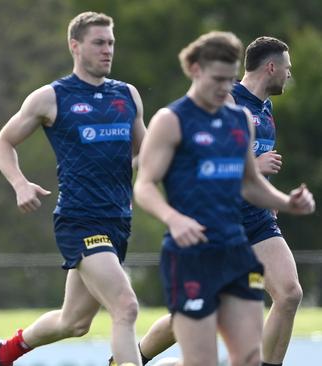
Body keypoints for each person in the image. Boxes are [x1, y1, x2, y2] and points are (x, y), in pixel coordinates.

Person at [132, 31, 314, 366]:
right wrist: (173, 218)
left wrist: (287, 202)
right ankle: (133, 358)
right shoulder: (171, 121)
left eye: (230, 79)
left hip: (247, 231)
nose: (225, 89)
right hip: (199, 242)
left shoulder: (240, 117)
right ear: (194, 69)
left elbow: (248, 182)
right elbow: (144, 185)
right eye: (219, 79)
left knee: (278, 309)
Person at [0, 11, 146, 366]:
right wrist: (20, 184)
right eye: (99, 43)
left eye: (111, 43)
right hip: (80, 220)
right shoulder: (51, 97)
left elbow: (145, 153)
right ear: (75, 46)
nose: (107, 50)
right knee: (125, 306)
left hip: (118, 219)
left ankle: (4, 353)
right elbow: (3, 143)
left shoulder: (127, 95)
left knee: (75, 322)